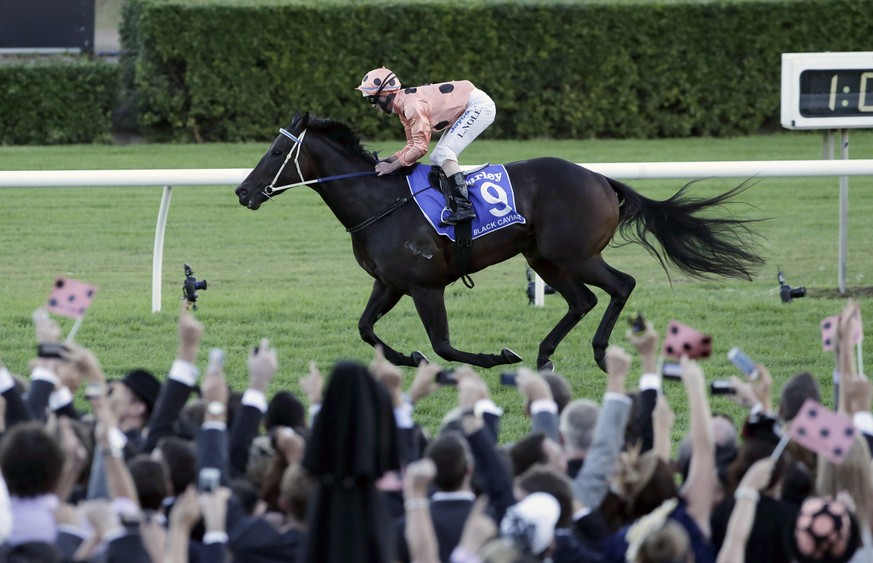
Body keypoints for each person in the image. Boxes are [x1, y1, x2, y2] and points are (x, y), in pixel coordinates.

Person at [355, 66, 496, 225]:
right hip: (469, 103)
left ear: (386, 94)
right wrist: (388, 160)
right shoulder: (403, 107)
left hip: (478, 106)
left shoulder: (411, 106)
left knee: (444, 153)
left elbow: (421, 148)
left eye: (372, 99)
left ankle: (465, 207)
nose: (373, 105)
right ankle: (452, 203)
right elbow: (412, 145)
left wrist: (392, 167)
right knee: (437, 157)